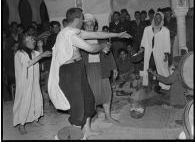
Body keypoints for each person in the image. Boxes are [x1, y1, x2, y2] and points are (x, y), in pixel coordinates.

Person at [48, 8, 131, 139]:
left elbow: (97, 35)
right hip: (69, 72)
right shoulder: (68, 34)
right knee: (78, 108)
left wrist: (118, 35)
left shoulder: (74, 32)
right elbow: (91, 48)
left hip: (78, 68)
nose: (83, 21)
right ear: (76, 20)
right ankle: (65, 136)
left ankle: (86, 131)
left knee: (88, 101)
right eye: (82, 19)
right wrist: (103, 46)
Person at [81, 13, 119, 124]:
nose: (89, 27)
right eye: (87, 25)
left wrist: (114, 67)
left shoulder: (100, 38)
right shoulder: (81, 39)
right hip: (88, 70)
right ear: (84, 26)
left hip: (101, 68)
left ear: (94, 26)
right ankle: (88, 122)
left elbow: (109, 54)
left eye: (91, 25)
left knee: (106, 92)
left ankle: (108, 116)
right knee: (89, 95)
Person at [13, 31, 51, 134]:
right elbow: (28, 63)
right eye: (31, 40)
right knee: (24, 102)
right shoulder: (20, 53)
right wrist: (41, 55)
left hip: (34, 81)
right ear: (24, 41)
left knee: (36, 99)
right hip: (24, 83)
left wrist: (40, 47)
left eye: (34, 39)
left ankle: (35, 119)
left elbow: (39, 56)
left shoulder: (33, 52)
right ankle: (21, 125)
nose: (34, 41)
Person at [138, 12, 171, 92]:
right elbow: (144, 40)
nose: (157, 20)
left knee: (161, 69)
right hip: (149, 53)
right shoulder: (147, 29)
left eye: (159, 18)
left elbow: (167, 43)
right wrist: (142, 48)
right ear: (153, 19)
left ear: (162, 20)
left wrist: (166, 54)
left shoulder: (165, 31)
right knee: (149, 69)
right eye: (155, 18)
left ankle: (161, 86)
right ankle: (148, 85)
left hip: (160, 53)